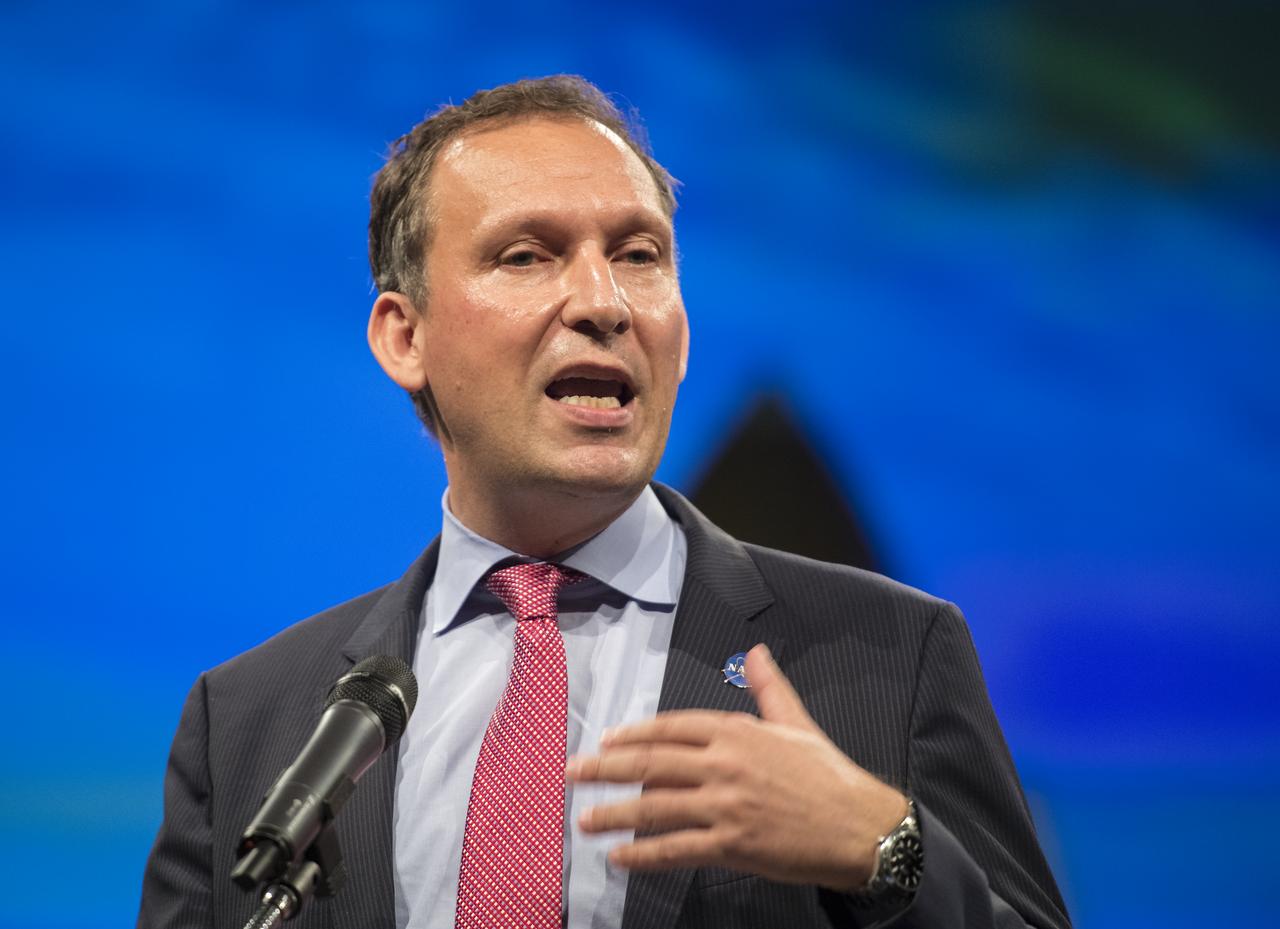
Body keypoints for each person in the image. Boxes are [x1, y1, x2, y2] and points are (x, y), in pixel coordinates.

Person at [138, 75, 1071, 929]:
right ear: (404, 335)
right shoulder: (250, 720)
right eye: (527, 255)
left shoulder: (891, 656)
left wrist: (887, 849)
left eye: (638, 254)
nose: (603, 300)